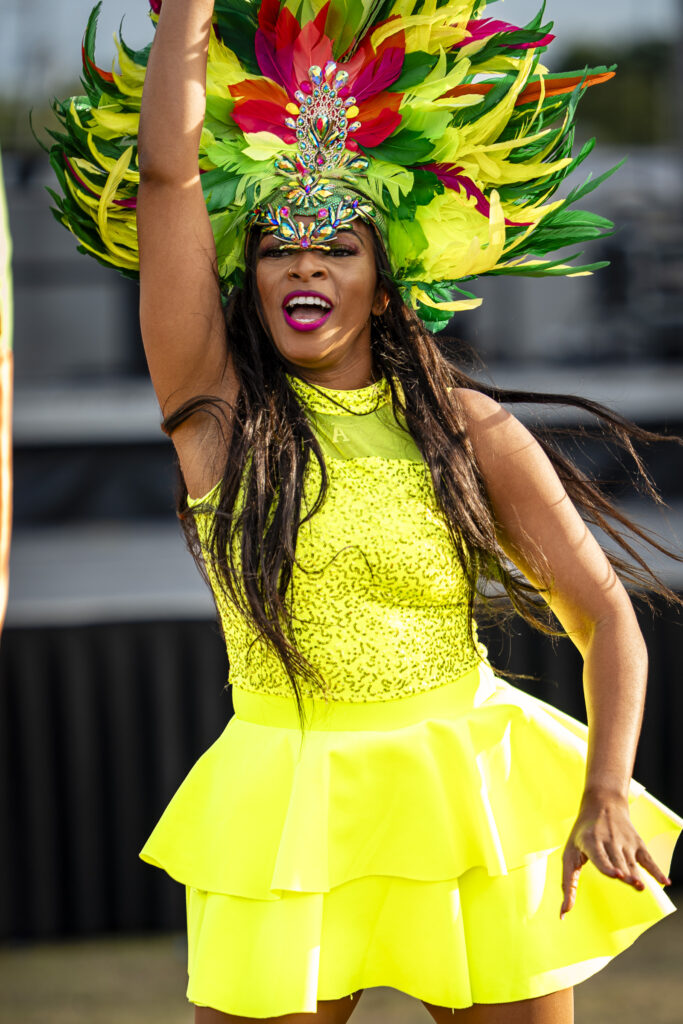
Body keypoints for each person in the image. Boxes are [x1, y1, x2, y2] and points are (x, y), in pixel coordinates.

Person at [46, 1, 682, 1021]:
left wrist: (603, 788)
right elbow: (168, 181)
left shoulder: (465, 427)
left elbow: (605, 613)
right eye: (276, 250)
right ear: (246, 283)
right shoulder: (216, 416)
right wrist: (188, 19)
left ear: (384, 287)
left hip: (465, 785)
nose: (303, 264)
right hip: (287, 795)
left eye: (337, 246)